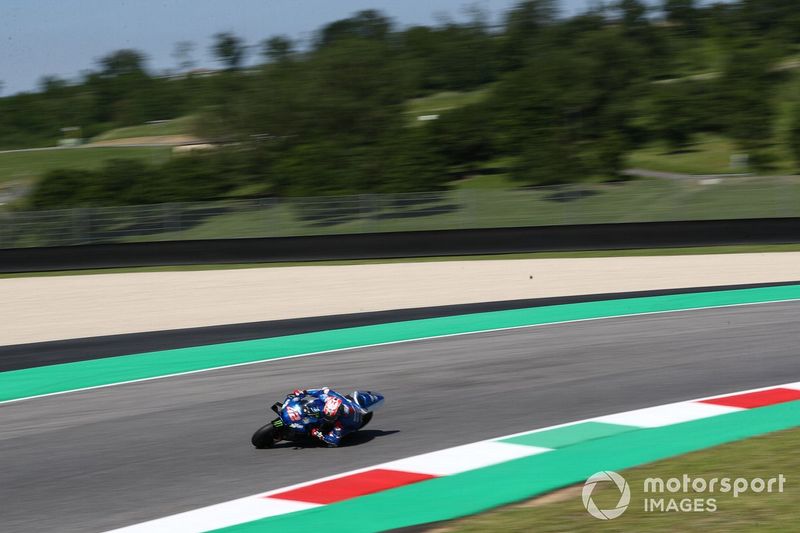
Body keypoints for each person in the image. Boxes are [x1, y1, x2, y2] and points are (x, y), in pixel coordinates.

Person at [288, 387, 364, 447]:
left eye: (331, 417)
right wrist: (304, 392)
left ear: (338, 414)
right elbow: (320, 392)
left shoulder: (341, 424)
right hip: (347, 403)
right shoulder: (329, 399)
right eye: (328, 416)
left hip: (353, 423)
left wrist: (319, 434)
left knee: (329, 437)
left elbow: (334, 441)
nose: (328, 418)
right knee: (320, 397)